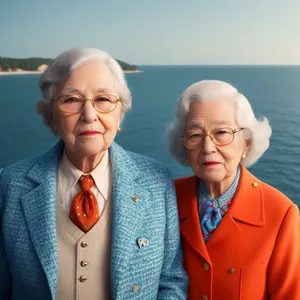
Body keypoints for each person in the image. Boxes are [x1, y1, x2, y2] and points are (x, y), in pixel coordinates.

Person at [0, 47, 187, 300]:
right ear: (52, 117)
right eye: (71, 100)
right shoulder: (9, 185)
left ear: (119, 115)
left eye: (103, 99)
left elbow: (171, 280)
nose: (89, 115)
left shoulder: (157, 182)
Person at [168, 80, 300, 300]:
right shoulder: (167, 197)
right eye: (195, 135)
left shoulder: (281, 213)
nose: (207, 147)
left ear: (246, 143)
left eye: (221, 132)